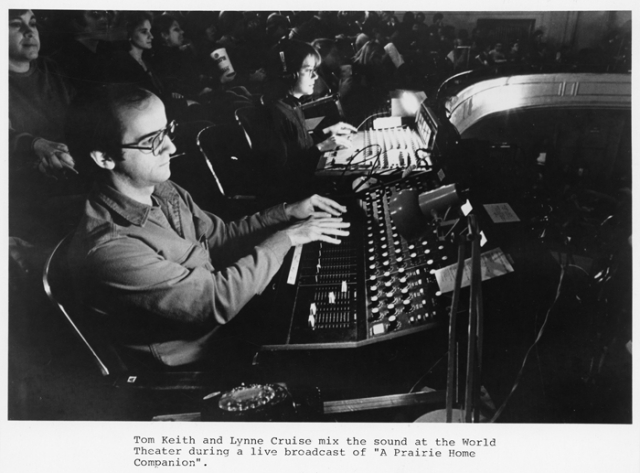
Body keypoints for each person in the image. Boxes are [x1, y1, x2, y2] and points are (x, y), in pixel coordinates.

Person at [65, 84, 350, 369]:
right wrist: (287, 238)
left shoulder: (160, 188)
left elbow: (221, 237)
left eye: (167, 131)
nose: (171, 147)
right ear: (104, 157)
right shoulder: (110, 249)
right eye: (152, 141)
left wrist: (287, 212)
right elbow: (215, 301)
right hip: (206, 363)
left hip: (235, 323)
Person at [9, 9, 85, 242]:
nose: (29, 31)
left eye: (32, 23)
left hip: (74, 171)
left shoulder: (50, 68)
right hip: (26, 193)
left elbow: (80, 113)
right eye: (15, 24)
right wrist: (37, 145)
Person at [259, 39, 356, 198]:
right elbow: (287, 172)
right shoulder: (275, 113)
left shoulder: (290, 105)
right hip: (300, 196)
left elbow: (300, 144)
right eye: (308, 70)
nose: (315, 76)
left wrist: (328, 131)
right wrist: (322, 147)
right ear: (290, 74)